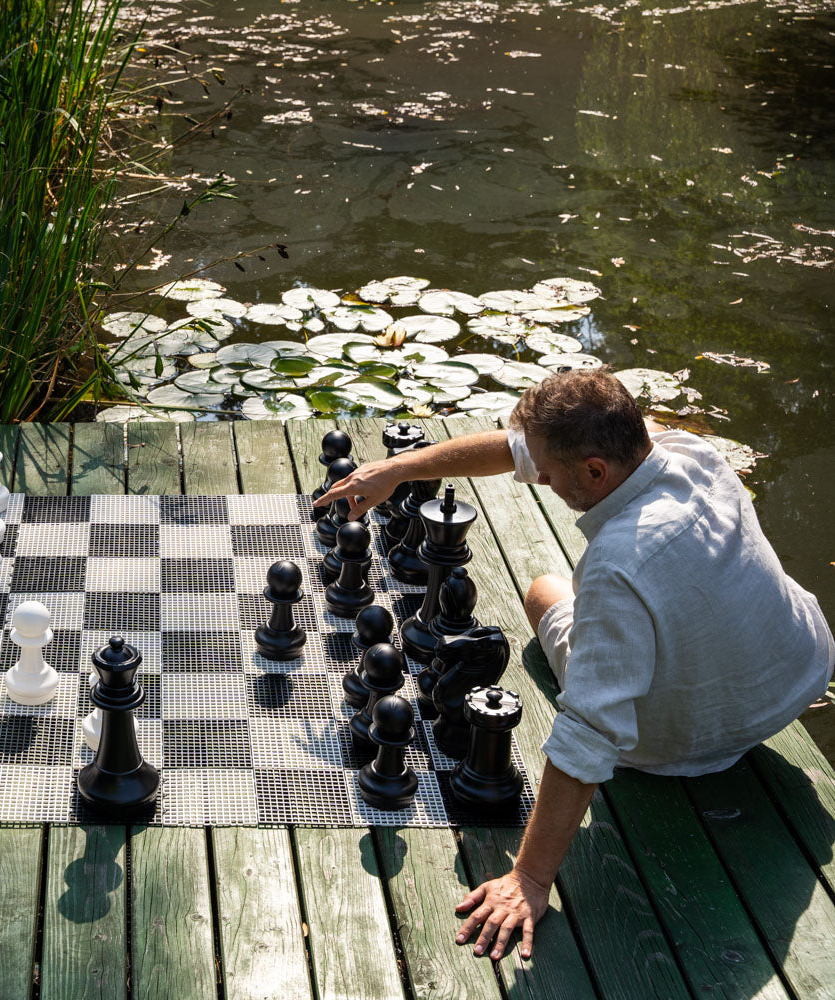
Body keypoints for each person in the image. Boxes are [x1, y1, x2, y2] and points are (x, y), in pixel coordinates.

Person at [316, 368, 833, 962]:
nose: (538, 478)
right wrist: (403, 467)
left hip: (687, 743)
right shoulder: (690, 452)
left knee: (544, 591)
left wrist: (530, 878)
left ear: (594, 471)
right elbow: (518, 449)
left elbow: (590, 730)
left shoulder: (617, 563)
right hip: (797, 673)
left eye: (548, 474)